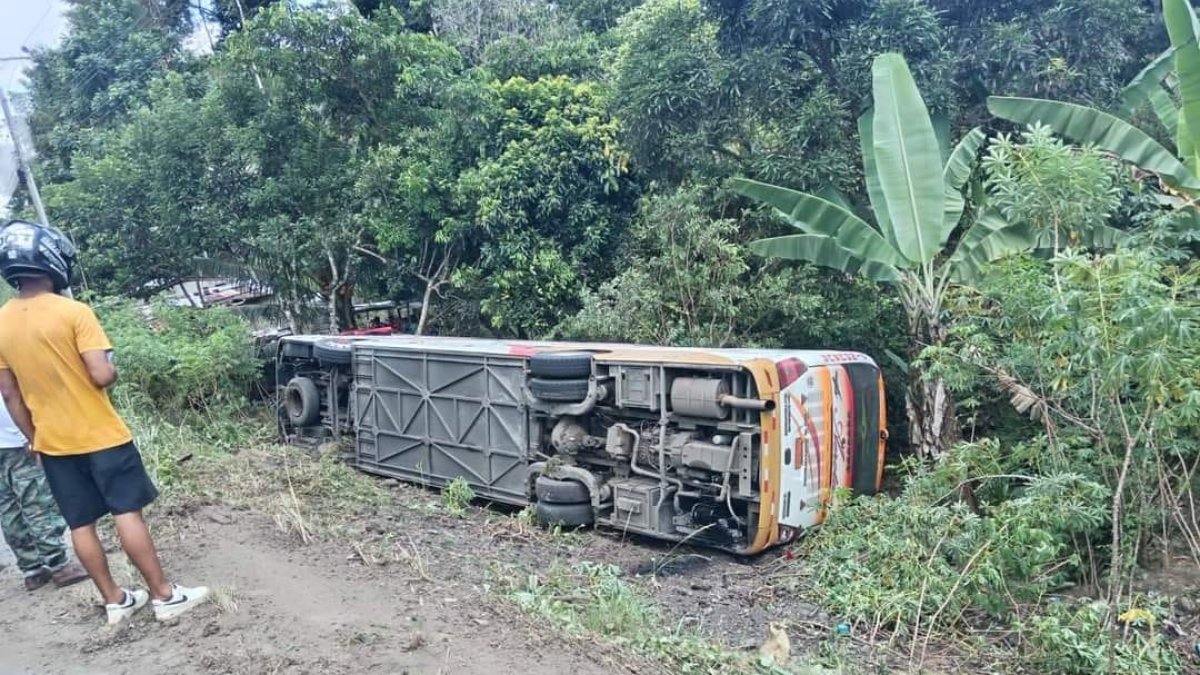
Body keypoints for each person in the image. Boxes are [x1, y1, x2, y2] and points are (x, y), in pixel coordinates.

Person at [0, 220, 209, 625]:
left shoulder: (1, 322)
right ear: (51, 259)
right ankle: (164, 596)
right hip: (101, 435)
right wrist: (108, 365)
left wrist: (34, 438)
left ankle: (115, 600)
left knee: (80, 523)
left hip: (53, 443)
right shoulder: (74, 312)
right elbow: (101, 375)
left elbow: (10, 394)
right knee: (127, 512)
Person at [0, 402, 89, 591]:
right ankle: (59, 565)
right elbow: (9, 395)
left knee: (7, 509)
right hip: (15, 440)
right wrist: (30, 436)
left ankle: (32, 569)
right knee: (38, 503)